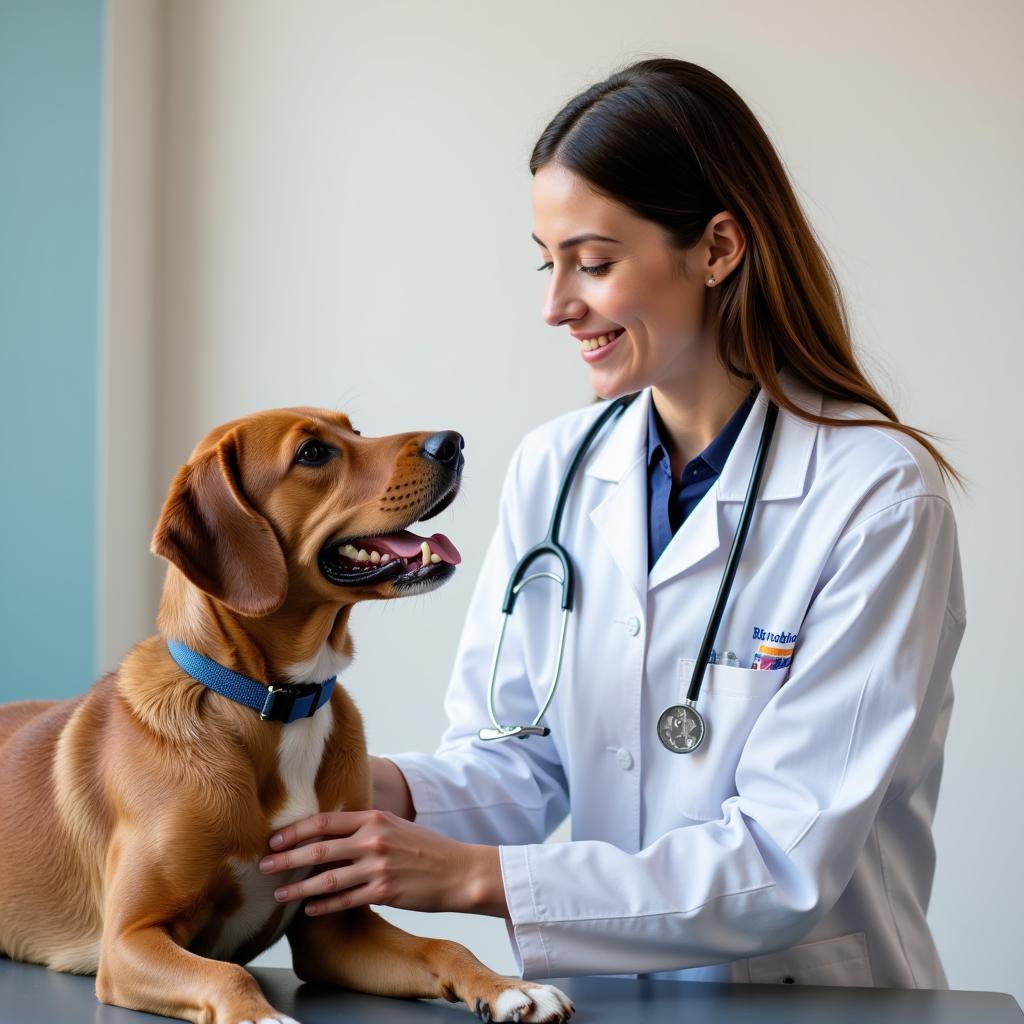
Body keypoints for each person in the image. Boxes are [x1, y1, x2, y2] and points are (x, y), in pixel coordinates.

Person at [258, 58, 965, 989]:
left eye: (592, 263)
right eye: (547, 263)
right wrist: (340, 782)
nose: (556, 305)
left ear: (717, 248)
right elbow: (520, 759)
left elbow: (786, 861)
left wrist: (474, 878)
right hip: (598, 1003)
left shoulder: (876, 496)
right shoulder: (557, 468)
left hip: (808, 998)